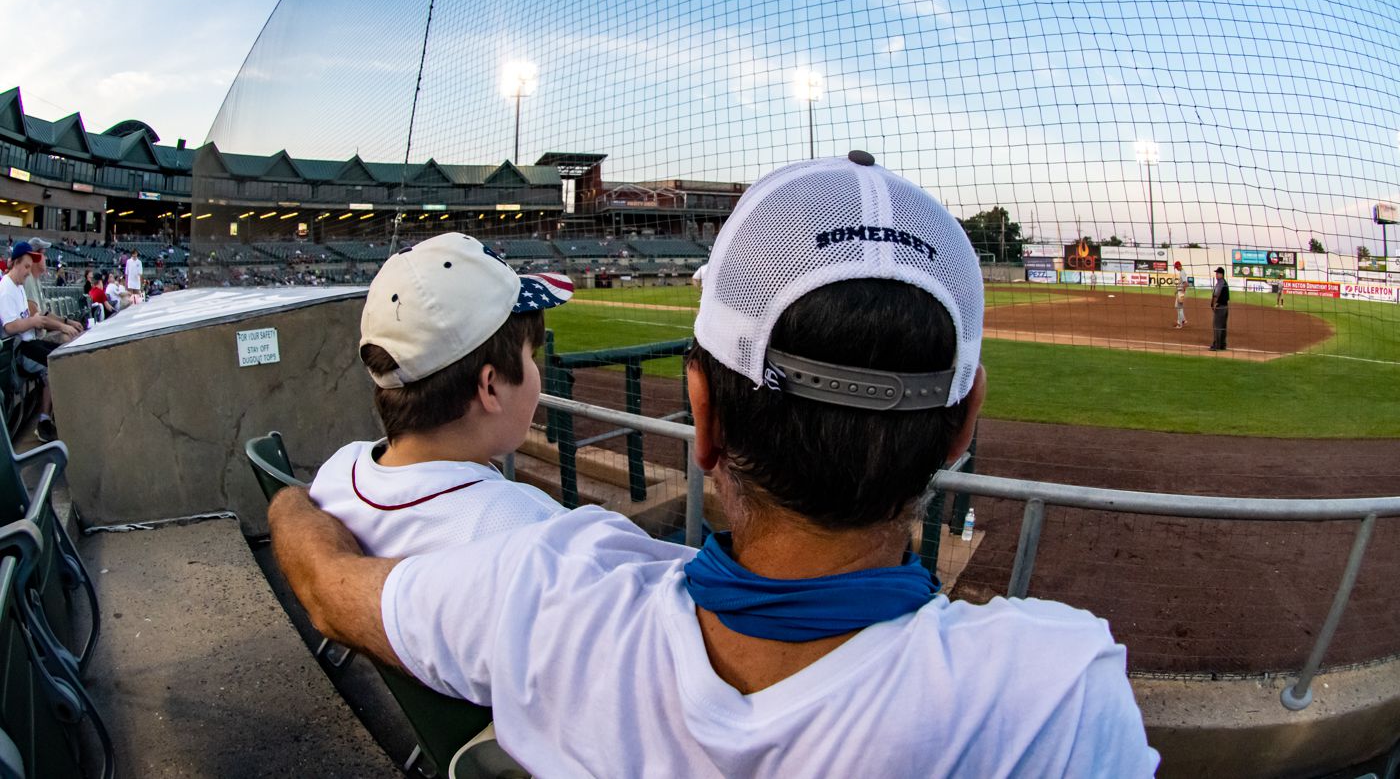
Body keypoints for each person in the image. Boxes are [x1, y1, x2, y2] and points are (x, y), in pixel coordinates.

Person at [270, 153, 1158, 777]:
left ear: (701, 413)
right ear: (963, 424)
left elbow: (324, 584)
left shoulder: (543, 590)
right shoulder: (1054, 701)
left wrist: (293, 502)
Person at [307, 233, 571, 556]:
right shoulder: (538, 532)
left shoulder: (337, 473)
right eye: (532, 355)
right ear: (490, 386)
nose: (535, 368)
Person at [0, 243, 80, 442]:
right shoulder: (6, 288)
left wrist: (36, 323)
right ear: (15, 263)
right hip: (19, 350)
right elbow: (9, 327)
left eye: (29, 267)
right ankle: (47, 421)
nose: (28, 272)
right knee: (57, 362)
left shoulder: (18, 287)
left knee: (63, 354)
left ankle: (49, 419)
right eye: (26, 267)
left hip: (29, 343)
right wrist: (34, 322)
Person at [23, 239, 84, 343]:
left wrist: (67, 322)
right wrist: (62, 327)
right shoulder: (28, 280)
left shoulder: (36, 280)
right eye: (43, 254)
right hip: (34, 340)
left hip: (42, 334)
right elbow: (36, 316)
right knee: (68, 337)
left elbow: (45, 313)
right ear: (35, 257)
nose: (46, 258)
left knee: (75, 332)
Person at [1209, 266, 1230, 351]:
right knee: (1223, 327)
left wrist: (1212, 304)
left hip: (1220, 307)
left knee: (1217, 326)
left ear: (1221, 274)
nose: (1216, 275)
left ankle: (1217, 345)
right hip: (1225, 307)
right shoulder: (1224, 282)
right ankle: (1222, 345)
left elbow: (1216, 295)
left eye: (1217, 273)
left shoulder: (1220, 282)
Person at [1173, 260, 1188, 329]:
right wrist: (1177, 290)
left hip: (1181, 292)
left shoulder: (1182, 273)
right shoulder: (1182, 272)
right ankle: (1183, 320)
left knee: (1178, 307)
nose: (1176, 269)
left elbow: (1186, 283)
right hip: (1180, 292)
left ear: (1179, 266)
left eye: (1176, 267)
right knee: (1178, 307)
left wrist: (1182, 292)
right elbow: (1182, 283)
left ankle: (1180, 324)